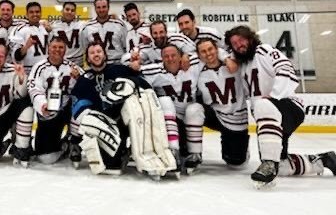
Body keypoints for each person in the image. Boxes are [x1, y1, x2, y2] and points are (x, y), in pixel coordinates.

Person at [225, 25, 336, 188]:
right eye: (234, 44)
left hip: (287, 106)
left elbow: (285, 67)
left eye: (241, 40)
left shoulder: (263, 50)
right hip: (269, 118)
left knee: (263, 105)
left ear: (249, 38)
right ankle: (323, 160)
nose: (238, 45)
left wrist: (275, 94)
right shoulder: (243, 65)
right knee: (281, 165)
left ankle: (269, 163)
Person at [72, 42, 177, 179]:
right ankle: (123, 152)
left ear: (105, 54)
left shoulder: (119, 69)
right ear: (88, 58)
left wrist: (135, 75)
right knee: (112, 167)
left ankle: (158, 152)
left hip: (127, 119)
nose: (96, 55)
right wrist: (92, 123)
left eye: (99, 51)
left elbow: (141, 83)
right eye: (92, 53)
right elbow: (78, 104)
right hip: (106, 125)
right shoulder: (84, 79)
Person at [184, 38, 249, 174]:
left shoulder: (234, 64)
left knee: (235, 162)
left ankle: (238, 146)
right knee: (193, 109)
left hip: (236, 119)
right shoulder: (198, 72)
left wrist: (224, 56)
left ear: (217, 50)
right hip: (215, 115)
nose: (208, 54)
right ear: (199, 55)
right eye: (203, 51)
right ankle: (195, 154)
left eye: (210, 49)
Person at [139, 44, 201, 173]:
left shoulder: (192, 64)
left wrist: (187, 55)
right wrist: (134, 63)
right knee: (164, 100)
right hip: (171, 121)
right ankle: (173, 151)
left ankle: (195, 154)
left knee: (194, 109)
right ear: (161, 59)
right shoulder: (154, 71)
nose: (170, 59)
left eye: (174, 55)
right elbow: (131, 68)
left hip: (191, 118)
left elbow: (211, 53)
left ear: (180, 56)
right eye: (166, 56)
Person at [27, 37, 83, 164]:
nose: (57, 50)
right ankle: (64, 145)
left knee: (81, 109)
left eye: (61, 47)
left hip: (67, 108)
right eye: (54, 47)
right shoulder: (39, 67)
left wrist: (79, 78)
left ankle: (74, 142)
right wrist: (42, 105)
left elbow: (87, 87)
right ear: (48, 48)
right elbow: (34, 88)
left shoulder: (72, 67)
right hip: (49, 112)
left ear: (65, 50)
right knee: (46, 158)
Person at [122, 20, 195, 70]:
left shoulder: (178, 39)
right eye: (155, 33)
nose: (158, 36)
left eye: (161, 32)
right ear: (151, 34)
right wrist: (134, 61)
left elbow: (195, 51)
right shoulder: (147, 47)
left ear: (166, 32)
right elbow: (125, 60)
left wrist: (186, 55)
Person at [80, 0, 127, 64]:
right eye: (98, 7)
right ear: (95, 8)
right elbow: (86, 48)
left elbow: (125, 46)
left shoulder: (119, 24)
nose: (101, 10)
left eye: (104, 7)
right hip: (96, 65)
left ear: (108, 7)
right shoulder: (87, 27)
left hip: (117, 64)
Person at [9, 1, 50, 74]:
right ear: (27, 14)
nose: (35, 14)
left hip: (45, 70)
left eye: (37, 12)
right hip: (28, 71)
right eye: (31, 12)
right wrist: (26, 47)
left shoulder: (45, 28)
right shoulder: (20, 30)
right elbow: (16, 57)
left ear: (41, 13)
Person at [49, 1, 85, 67]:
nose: (69, 12)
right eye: (67, 9)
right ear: (62, 11)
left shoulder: (82, 24)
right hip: (60, 62)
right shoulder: (53, 26)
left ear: (75, 13)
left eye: (72, 10)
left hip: (78, 63)